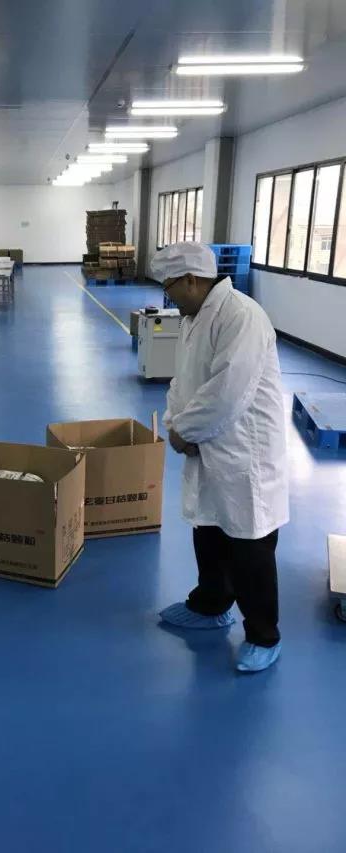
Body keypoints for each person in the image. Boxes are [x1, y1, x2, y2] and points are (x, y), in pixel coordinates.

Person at [152, 242, 289, 673]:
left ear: (191, 280)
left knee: (249, 544)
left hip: (245, 451)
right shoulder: (194, 318)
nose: (167, 296)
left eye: (169, 286)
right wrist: (176, 423)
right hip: (209, 443)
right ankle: (210, 605)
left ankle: (263, 635)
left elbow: (229, 392)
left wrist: (186, 431)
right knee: (208, 528)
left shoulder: (241, 316)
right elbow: (183, 382)